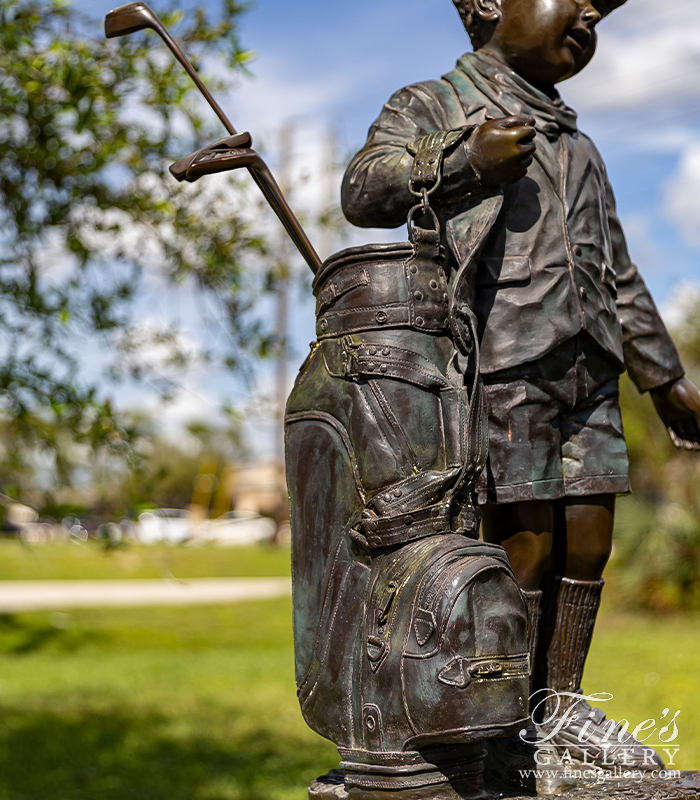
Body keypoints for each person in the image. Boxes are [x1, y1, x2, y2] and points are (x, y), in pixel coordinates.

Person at [341, 0, 700, 773]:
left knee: (588, 538)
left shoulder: (582, 146)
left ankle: (560, 706)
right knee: (522, 546)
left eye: (597, 9)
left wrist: (666, 379)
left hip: (589, 366)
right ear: (486, 6)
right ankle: (504, 718)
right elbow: (365, 188)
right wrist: (462, 160)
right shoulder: (435, 104)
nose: (586, 13)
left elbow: (619, 272)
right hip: (500, 362)